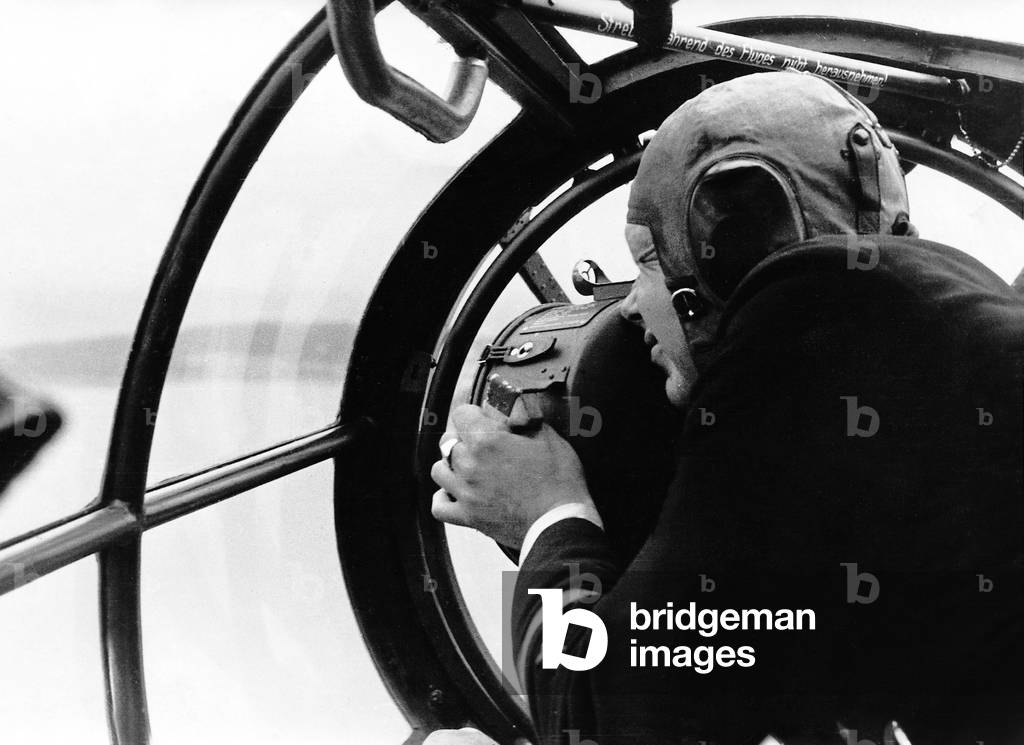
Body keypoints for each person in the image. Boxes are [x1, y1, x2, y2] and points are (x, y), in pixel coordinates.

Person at [429, 72, 1024, 745]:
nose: (628, 304)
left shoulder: (808, 323)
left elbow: (599, 724)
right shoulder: (938, 318)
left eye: (649, 260)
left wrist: (546, 515)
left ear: (730, 244)